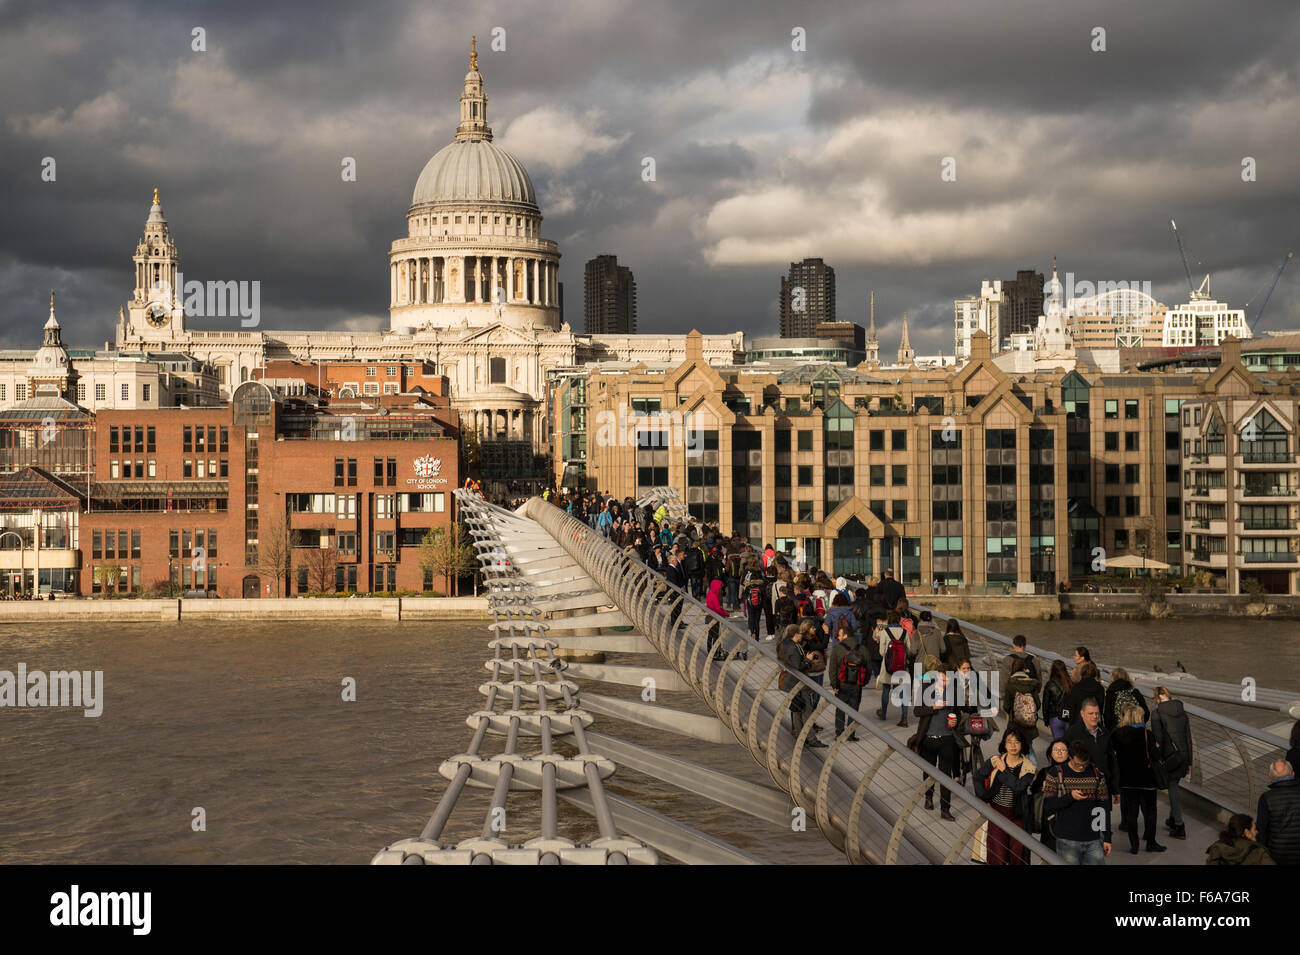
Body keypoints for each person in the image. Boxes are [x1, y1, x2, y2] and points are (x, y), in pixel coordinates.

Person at [1042, 739, 1113, 865]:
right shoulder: (1055, 773)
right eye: (1077, 764)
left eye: (1084, 764)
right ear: (1069, 757)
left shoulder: (1097, 774)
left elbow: (1103, 807)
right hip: (1067, 839)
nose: (1081, 768)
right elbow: (1048, 805)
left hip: (1094, 839)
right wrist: (1070, 797)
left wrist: (1107, 837)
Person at [973, 729, 1037, 864]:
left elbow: (1019, 788)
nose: (1013, 746)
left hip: (1017, 816)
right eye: (1009, 742)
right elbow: (977, 776)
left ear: (1022, 745)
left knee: (1017, 855)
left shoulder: (1029, 767)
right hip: (997, 812)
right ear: (1004, 744)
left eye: (1017, 742)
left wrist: (1003, 771)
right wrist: (983, 798)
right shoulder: (996, 760)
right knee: (998, 855)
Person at [1109, 703, 1166, 854]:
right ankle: (1151, 842)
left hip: (1127, 780)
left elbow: (1112, 753)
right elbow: (1156, 756)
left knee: (1131, 813)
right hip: (1146, 779)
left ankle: (1134, 844)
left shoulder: (1117, 734)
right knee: (1151, 811)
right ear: (1138, 717)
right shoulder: (1147, 734)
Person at [912, 669, 958, 821]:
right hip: (928, 738)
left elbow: (956, 713)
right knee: (929, 772)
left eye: (948, 681)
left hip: (946, 739)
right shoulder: (926, 690)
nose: (945, 684)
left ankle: (945, 809)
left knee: (946, 775)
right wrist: (933, 707)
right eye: (943, 681)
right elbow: (917, 711)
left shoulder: (953, 693)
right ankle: (928, 797)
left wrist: (955, 721)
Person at [1149, 685, 1193, 840]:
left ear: (1156, 698)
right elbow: (1188, 738)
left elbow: (1158, 741)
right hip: (1183, 756)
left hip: (1170, 757)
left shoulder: (1157, 713)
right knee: (1175, 785)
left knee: (1172, 789)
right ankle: (1173, 819)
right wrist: (1189, 761)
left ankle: (1180, 826)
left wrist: (1156, 760)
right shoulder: (1182, 711)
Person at [778, 625, 825, 747]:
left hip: (794, 683)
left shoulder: (786, 644)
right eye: (800, 634)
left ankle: (801, 737)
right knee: (806, 711)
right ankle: (811, 739)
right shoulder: (793, 648)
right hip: (798, 683)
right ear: (795, 635)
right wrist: (808, 660)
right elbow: (797, 666)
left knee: (797, 710)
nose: (801, 636)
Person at [1063, 698, 1118, 795]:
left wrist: (1115, 788)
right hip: (1081, 787)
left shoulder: (1105, 732)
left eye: (1097, 713)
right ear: (1082, 714)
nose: (1095, 716)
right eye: (1091, 713)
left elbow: (1112, 760)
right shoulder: (1072, 733)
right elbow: (1064, 759)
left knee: (1103, 810)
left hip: (1103, 787)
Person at [827, 618, 867, 741]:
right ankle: (850, 734)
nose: (837, 638)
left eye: (839, 635)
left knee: (840, 709)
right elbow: (867, 667)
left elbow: (832, 669)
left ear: (845, 635)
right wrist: (862, 682)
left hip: (841, 684)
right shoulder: (861, 648)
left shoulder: (837, 649)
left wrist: (834, 685)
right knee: (854, 710)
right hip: (856, 685)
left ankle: (839, 733)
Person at [1030, 738, 1071, 852]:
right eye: (1056, 750)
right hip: (1048, 821)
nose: (1059, 752)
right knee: (1048, 853)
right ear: (1051, 753)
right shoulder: (1045, 772)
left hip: (1069, 819)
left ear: (1069, 753)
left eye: (1063, 750)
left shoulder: (1075, 772)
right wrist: (1042, 788)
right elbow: (1034, 791)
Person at [1256, 759, 1300, 866]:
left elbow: (1261, 830)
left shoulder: (1266, 798)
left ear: (1270, 775)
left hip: (1277, 853)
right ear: (1293, 774)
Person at [1003, 656, 1042, 761]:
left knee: (1013, 748)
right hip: (1029, 724)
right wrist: (1029, 712)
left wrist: (1013, 712)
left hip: (1014, 723)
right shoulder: (1032, 684)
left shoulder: (1010, 684)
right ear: (1025, 669)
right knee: (1028, 748)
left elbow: (1006, 705)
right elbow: (1038, 704)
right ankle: (1033, 771)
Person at [876, 611, 910, 727]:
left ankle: (884, 713)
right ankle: (904, 717)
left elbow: (881, 652)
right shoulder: (904, 632)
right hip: (901, 668)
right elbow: (909, 651)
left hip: (888, 667)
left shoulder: (885, 632)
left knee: (886, 690)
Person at [1205, 813, 1276, 865]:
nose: (1256, 832)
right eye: (1254, 829)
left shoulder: (1218, 847)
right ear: (1246, 832)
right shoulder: (1258, 853)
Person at [1103, 667, 1149, 732]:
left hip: (1118, 731)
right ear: (1127, 677)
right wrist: (1139, 723)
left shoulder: (1111, 694)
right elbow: (1146, 712)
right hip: (1137, 729)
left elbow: (1107, 716)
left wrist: (1111, 730)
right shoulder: (1135, 692)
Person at [1064, 661, 1105, 727]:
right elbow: (1101, 706)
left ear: (1082, 673)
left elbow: (1071, 706)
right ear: (1094, 673)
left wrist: (1071, 725)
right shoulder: (1100, 688)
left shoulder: (1076, 687)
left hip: (1078, 722)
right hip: (1094, 722)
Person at [1041, 659, 1073, 740]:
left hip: (1055, 718)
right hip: (1069, 717)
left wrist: (1046, 721)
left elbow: (1045, 704)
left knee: (1059, 744)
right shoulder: (1071, 683)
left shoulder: (1050, 684)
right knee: (1069, 744)